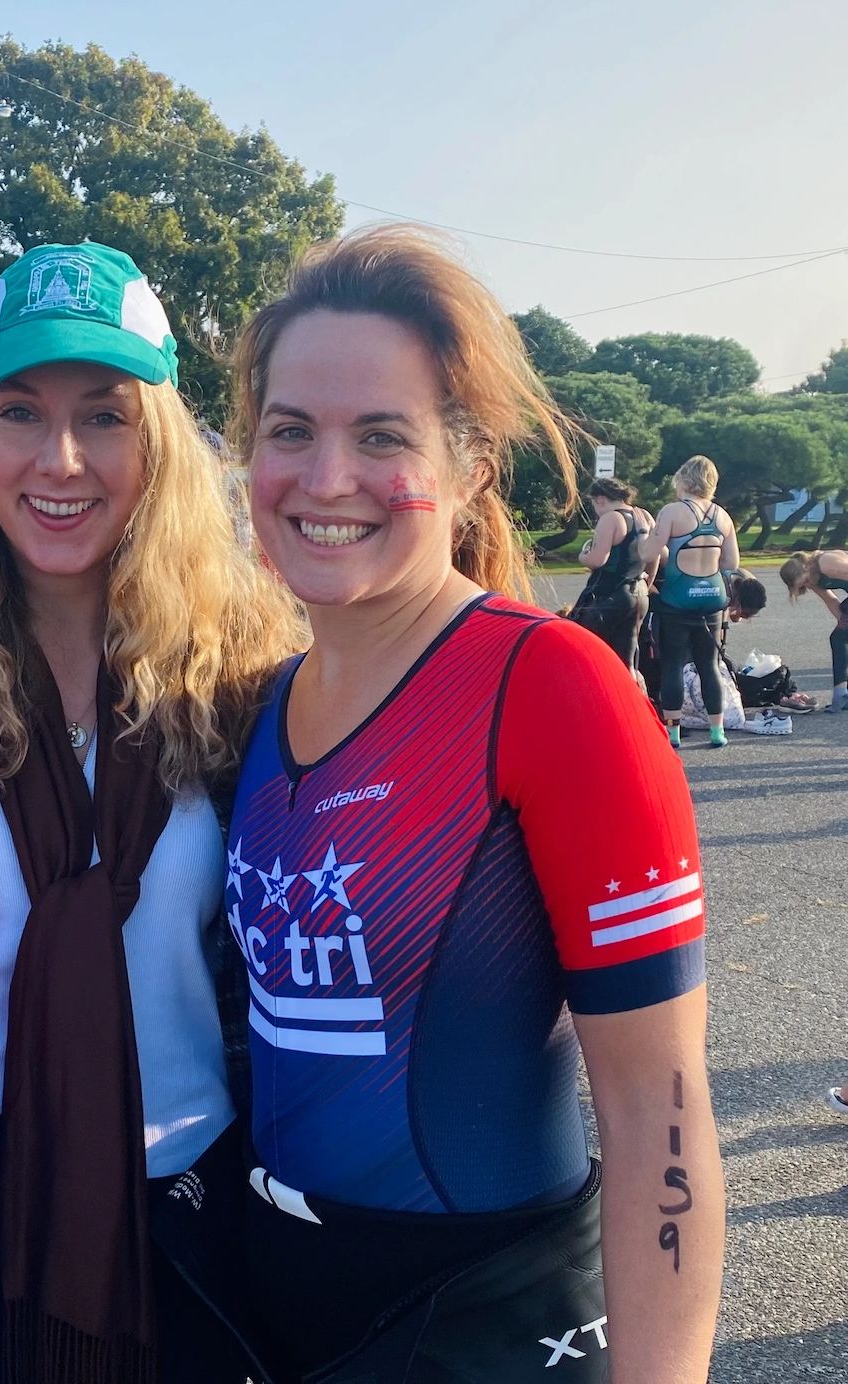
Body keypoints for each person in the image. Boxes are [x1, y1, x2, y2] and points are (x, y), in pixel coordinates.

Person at [210, 225, 722, 1383]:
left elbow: (660, 1112)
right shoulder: (264, 700)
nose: (326, 477)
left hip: (490, 1315)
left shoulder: (554, 689)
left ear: (468, 465)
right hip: (274, 1297)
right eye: (291, 431)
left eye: (380, 435)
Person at [0, 241, 302, 1384]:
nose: (59, 458)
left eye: (106, 415)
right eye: (20, 410)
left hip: (198, 1193)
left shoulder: (249, 669)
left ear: (161, 442)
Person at [638, 456, 740, 748]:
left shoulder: (672, 511)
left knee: (672, 665)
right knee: (709, 665)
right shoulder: (722, 515)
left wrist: (641, 541)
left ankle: (673, 733)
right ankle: (716, 730)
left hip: (677, 600)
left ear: (683, 480)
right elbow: (731, 562)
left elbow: (649, 553)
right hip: (712, 601)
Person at [573, 478, 652, 673]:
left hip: (609, 595)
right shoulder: (643, 515)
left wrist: (583, 556)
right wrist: (648, 581)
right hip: (638, 591)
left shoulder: (610, 518)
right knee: (627, 659)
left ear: (600, 499)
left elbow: (598, 560)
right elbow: (655, 554)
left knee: (592, 654)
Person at [777, 549, 848, 712]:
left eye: (806, 581)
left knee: (840, 635)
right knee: (839, 638)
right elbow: (830, 600)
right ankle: (841, 693)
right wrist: (843, 626)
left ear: (806, 568)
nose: (808, 585)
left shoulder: (826, 563)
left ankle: (841, 693)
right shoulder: (814, 579)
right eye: (803, 585)